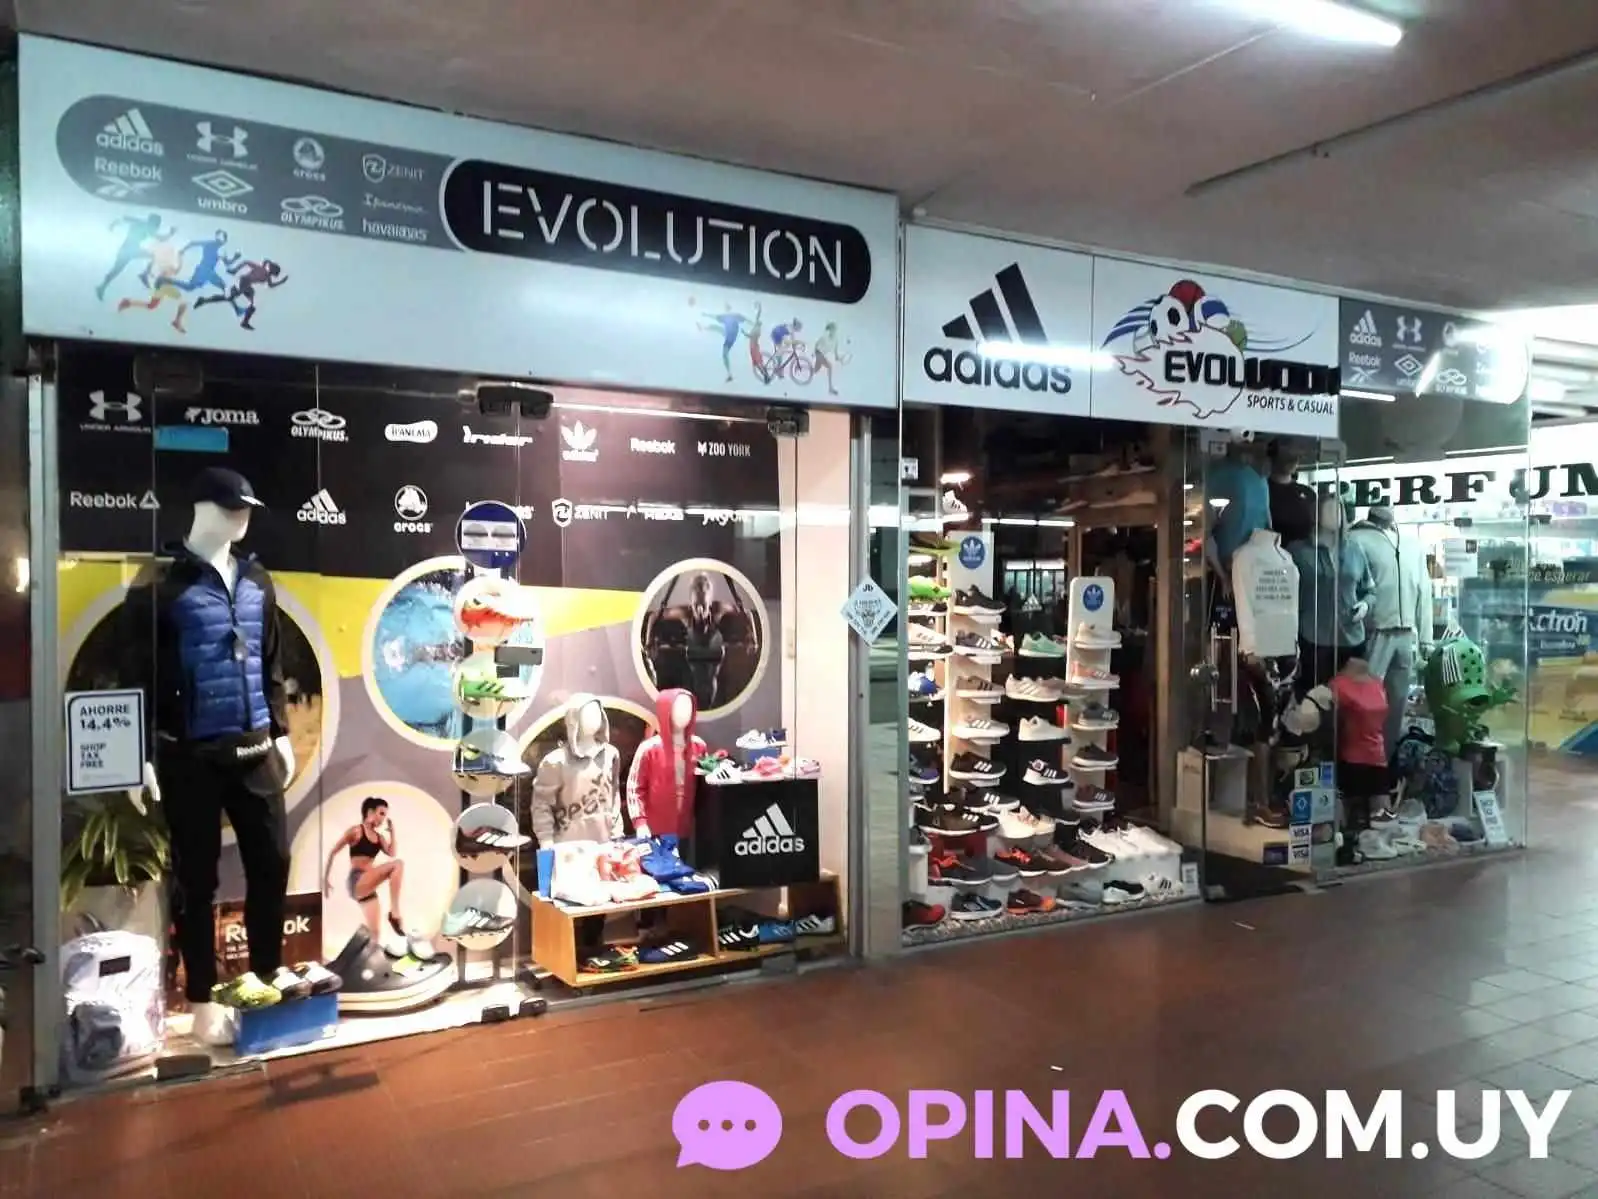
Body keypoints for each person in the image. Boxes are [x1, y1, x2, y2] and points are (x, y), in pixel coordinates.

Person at [323, 797, 408, 950]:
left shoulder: (379, 838)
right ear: (370, 812)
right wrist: (326, 879)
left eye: (385, 815)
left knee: (375, 933)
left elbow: (392, 853)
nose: (383, 819)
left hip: (368, 887)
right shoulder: (356, 831)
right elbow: (333, 852)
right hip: (357, 880)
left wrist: (393, 833)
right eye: (381, 813)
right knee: (398, 865)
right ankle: (394, 913)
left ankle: (367, 958)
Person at [116, 238, 190, 333]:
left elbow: (173, 271)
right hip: (164, 285)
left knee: (151, 306)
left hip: (161, 285)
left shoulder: (165, 261)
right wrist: (179, 258)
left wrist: (179, 258)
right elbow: (173, 271)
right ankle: (177, 322)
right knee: (184, 301)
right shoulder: (167, 262)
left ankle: (128, 302)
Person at [96, 213, 175, 301]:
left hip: (126, 249)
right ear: (153, 223)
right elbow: (161, 239)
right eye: (157, 225)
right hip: (131, 250)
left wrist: (113, 224)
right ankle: (145, 274)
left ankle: (102, 287)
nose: (157, 227)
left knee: (116, 270)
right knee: (117, 270)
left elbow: (124, 218)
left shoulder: (140, 222)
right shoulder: (147, 227)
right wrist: (171, 233)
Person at [195, 258, 288, 330]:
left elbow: (270, 285)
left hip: (247, 286)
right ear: (272, 271)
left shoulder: (267, 276)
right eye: (273, 273)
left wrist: (281, 282)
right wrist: (234, 270)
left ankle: (244, 322)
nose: (272, 275)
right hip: (243, 281)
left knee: (251, 303)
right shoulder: (261, 269)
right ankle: (204, 300)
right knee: (230, 298)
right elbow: (246, 262)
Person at [158, 230, 239, 299]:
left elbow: (227, 263)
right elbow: (193, 243)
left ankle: (166, 280)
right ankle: (235, 304)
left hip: (203, 270)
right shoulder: (213, 245)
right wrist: (183, 250)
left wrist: (235, 258)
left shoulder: (218, 247)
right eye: (222, 239)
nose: (222, 242)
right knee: (224, 287)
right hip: (206, 271)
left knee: (190, 287)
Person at [700, 305, 750, 382]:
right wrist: (706, 315)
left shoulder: (734, 316)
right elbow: (715, 316)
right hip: (728, 334)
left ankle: (729, 374)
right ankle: (703, 327)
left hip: (731, 337)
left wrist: (755, 325)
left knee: (724, 353)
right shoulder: (727, 316)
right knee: (716, 327)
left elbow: (746, 320)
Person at [812, 322, 843, 395]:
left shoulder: (836, 340)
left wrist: (839, 358)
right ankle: (830, 388)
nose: (834, 331)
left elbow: (836, 353)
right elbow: (817, 343)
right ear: (829, 330)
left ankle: (803, 369)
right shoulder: (824, 337)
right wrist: (814, 353)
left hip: (822, 355)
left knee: (815, 370)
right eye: (832, 329)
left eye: (835, 330)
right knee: (829, 366)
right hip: (818, 352)